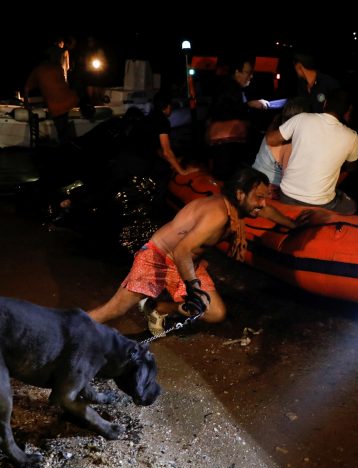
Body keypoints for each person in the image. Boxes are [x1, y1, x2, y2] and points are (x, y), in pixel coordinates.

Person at [88, 168, 311, 335]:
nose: (262, 204)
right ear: (240, 194)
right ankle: (66, 329)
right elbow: (182, 250)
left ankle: (158, 307)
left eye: (265, 197)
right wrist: (194, 291)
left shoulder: (233, 207)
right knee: (114, 310)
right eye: (258, 197)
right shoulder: (218, 215)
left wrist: (293, 226)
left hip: (184, 262)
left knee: (215, 313)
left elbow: (268, 211)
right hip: (158, 257)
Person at [266, 89, 358, 214]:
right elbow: (351, 168)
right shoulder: (352, 137)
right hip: (321, 203)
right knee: (350, 206)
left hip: (286, 196)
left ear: (325, 103)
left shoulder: (301, 119)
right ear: (348, 112)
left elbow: (270, 139)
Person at [207, 56, 270, 180]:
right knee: (225, 176)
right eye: (247, 72)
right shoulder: (228, 87)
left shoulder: (236, 89)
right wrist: (250, 105)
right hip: (225, 143)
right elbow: (225, 111)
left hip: (231, 143)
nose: (251, 76)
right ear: (237, 72)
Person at [252, 97, 311, 198]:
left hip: (252, 180)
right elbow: (289, 183)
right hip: (266, 190)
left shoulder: (274, 129)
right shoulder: (290, 144)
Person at [24, 49, 79, 144]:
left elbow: (27, 88)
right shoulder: (57, 67)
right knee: (63, 125)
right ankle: (68, 143)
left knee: (61, 129)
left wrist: (27, 104)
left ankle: (66, 146)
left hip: (56, 105)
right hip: (70, 99)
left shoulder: (38, 70)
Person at [146, 92, 200, 176]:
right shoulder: (162, 121)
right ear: (168, 107)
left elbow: (156, 149)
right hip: (142, 162)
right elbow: (166, 151)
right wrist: (183, 171)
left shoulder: (150, 117)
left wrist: (173, 160)